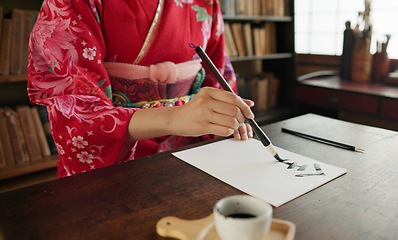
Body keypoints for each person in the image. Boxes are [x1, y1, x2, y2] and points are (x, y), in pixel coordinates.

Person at [27, 0, 254, 177]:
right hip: (116, 163)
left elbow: (219, 74)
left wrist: (225, 113)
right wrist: (173, 117)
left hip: (194, 153)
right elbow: (74, 109)